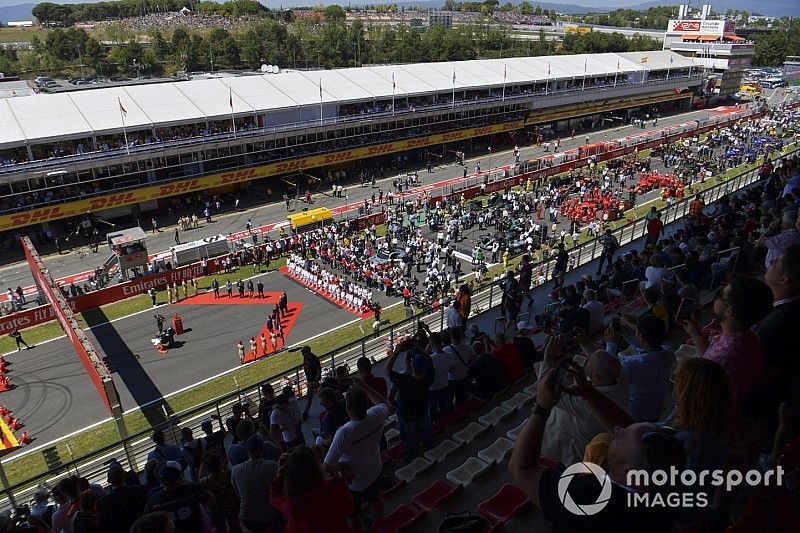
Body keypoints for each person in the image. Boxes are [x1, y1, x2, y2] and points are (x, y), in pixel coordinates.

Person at [509, 359, 686, 532]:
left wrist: (541, 408)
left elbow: (520, 468)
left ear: (627, 472)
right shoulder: (666, 489)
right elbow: (635, 437)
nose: (616, 429)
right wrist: (589, 393)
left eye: (619, 438)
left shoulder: (586, 496)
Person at [682, 275, 773, 407]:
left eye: (720, 295)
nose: (716, 297)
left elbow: (698, 401)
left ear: (729, 311)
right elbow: (709, 361)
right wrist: (695, 333)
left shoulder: (723, 357)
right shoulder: (749, 337)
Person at [541, 333, 628, 465]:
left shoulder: (585, 402)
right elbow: (604, 363)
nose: (584, 362)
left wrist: (548, 357)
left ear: (595, 377)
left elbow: (546, 390)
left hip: (568, 451)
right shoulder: (620, 381)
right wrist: (586, 344)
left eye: (587, 362)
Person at [324, 382, 389, 531]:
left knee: (353, 515)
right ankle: (379, 524)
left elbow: (327, 466)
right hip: (376, 469)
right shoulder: (376, 414)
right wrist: (363, 385)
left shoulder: (345, 432)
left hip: (356, 482)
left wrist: (342, 466)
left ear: (347, 409)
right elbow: (383, 403)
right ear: (367, 403)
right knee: (375, 498)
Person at [604, 314, 676, 422]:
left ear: (641, 337)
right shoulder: (669, 352)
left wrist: (611, 345)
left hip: (635, 415)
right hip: (657, 409)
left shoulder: (631, 364)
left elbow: (605, 371)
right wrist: (628, 336)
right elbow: (651, 350)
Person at [272, 446, 354, 533]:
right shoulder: (337, 485)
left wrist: (279, 477)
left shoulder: (295, 507)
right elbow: (350, 509)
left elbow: (274, 497)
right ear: (316, 465)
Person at [386, 344, 434, 460]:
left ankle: (413, 454)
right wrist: (418, 347)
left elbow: (387, 370)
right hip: (422, 410)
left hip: (407, 415)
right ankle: (429, 445)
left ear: (411, 366)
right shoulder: (429, 376)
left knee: (409, 437)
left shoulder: (404, 379)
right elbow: (430, 360)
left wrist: (396, 352)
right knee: (425, 428)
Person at [144, 461, 215, 533]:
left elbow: (146, 523)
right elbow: (211, 500)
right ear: (180, 477)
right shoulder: (193, 489)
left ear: (161, 480)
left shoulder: (153, 500)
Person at [230, 434, 282, 533]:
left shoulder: (235, 470)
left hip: (248, 519)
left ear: (247, 450)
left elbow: (239, 497)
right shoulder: (274, 466)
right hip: (270, 516)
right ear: (262, 449)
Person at [95, 463, 147, 533]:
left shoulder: (101, 503)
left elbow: (103, 527)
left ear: (109, 480)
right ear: (124, 476)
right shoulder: (140, 490)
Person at [444, 326, 475, 407]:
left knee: (449, 400)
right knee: (461, 400)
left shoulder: (445, 350)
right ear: (461, 335)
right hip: (463, 378)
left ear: (451, 336)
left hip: (450, 380)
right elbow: (472, 362)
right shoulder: (469, 348)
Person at [428, 331, 455, 422]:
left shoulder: (431, 358)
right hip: (445, 385)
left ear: (431, 344)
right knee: (445, 408)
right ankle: (447, 423)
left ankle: (434, 427)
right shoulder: (450, 356)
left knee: (432, 410)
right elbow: (452, 371)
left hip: (432, 389)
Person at [301, 346, 322, 420]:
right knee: (311, 397)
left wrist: (315, 382)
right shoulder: (307, 357)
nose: (302, 354)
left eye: (303, 352)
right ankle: (306, 412)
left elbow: (319, 371)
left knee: (314, 396)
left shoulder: (314, 359)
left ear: (308, 352)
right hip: (310, 381)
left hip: (313, 381)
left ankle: (305, 412)